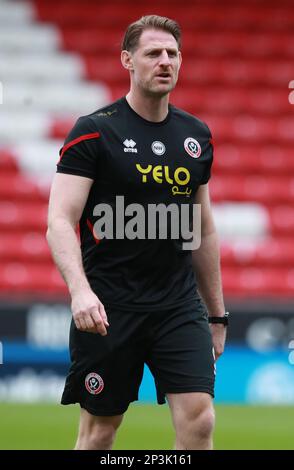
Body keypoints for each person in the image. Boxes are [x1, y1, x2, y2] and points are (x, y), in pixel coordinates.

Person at [47, 15, 227, 450]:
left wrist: (217, 315)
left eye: (172, 54)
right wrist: (79, 292)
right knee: (99, 433)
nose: (165, 62)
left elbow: (200, 229)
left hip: (177, 305)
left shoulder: (195, 136)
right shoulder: (94, 130)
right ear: (127, 60)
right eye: (153, 53)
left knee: (200, 420)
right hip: (110, 308)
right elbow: (58, 221)